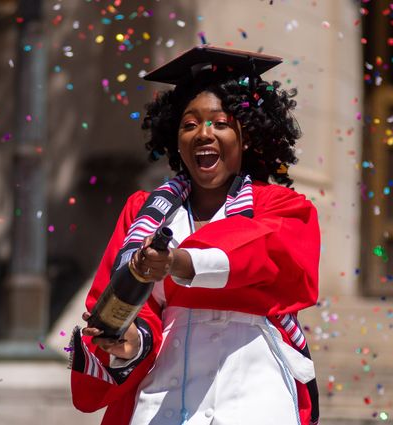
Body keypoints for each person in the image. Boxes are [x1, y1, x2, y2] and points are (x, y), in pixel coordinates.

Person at [69, 46, 320, 425]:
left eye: (220, 123)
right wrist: (128, 342)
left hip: (253, 387)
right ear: (176, 137)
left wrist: (177, 262)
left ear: (246, 136)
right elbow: (127, 305)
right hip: (166, 391)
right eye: (190, 125)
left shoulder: (281, 207)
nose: (204, 134)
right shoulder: (144, 213)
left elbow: (263, 251)